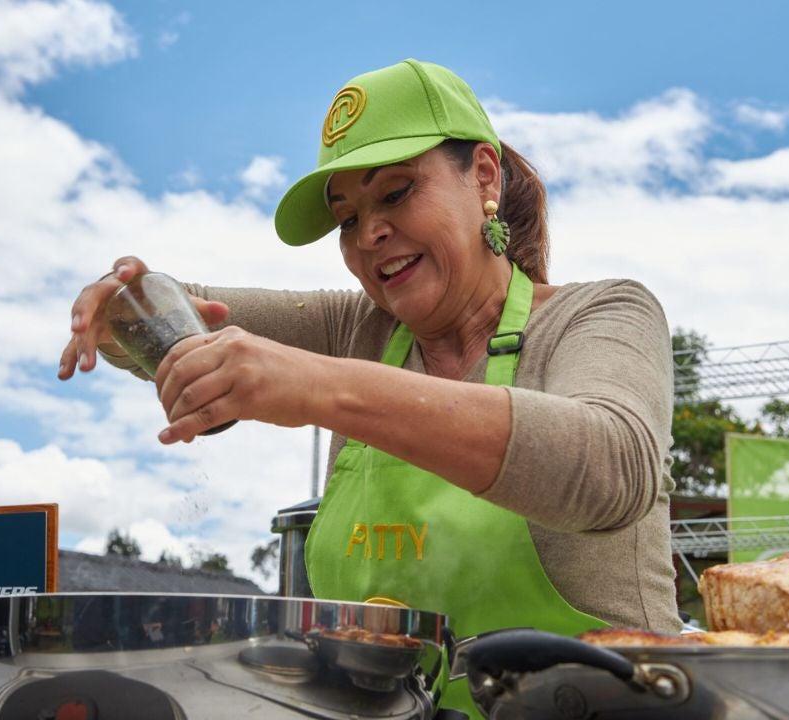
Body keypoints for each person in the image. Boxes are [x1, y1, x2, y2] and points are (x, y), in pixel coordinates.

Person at [60, 59, 681, 715]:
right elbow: (182, 313)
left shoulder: (602, 314)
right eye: (347, 219)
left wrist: (319, 387)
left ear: (484, 176)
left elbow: (612, 466)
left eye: (396, 193)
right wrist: (119, 305)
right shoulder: (359, 328)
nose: (370, 233)